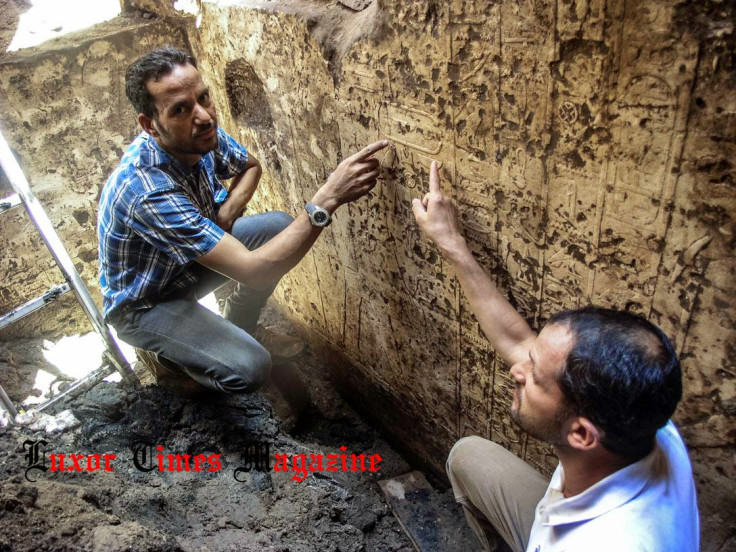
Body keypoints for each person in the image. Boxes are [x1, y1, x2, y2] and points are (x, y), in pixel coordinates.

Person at [411, 162, 699, 551]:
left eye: (533, 377)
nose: (516, 368)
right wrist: (451, 243)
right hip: (562, 513)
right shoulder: (644, 420)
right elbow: (517, 341)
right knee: (469, 456)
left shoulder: (608, 543)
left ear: (581, 434)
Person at [98, 46, 388, 393]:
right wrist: (327, 198)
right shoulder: (146, 189)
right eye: (180, 109)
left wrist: (227, 210)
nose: (204, 116)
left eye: (204, 97)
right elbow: (255, 270)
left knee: (278, 227)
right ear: (151, 126)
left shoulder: (197, 134)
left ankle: (240, 324)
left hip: (186, 264)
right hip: (147, 301)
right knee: (250, 369)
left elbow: (250, 165)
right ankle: (179, 370)